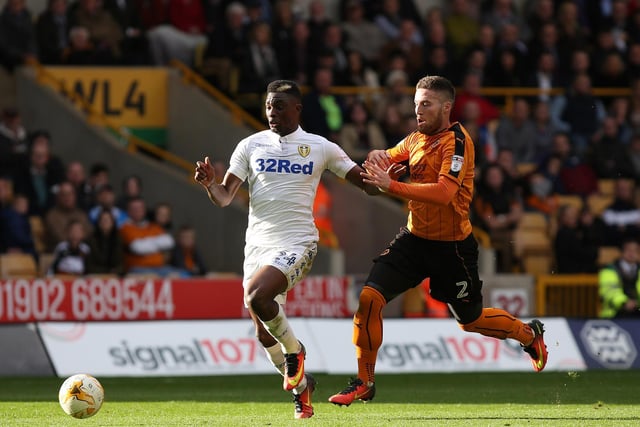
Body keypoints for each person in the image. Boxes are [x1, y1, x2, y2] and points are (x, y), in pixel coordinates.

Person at [328, 75, 548, 407]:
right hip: (414, 240)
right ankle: (364, 381)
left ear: (446, 107)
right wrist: (377, 158)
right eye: (416, 104)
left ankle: (529, 335)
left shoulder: (457, 142)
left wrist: (391, 185)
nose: (418, 111)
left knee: (470, 321)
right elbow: (387, 160)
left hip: (453, 248)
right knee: (369, 299)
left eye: (426, 104)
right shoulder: (415, 139)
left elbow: (445, 193)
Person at [194, 80, 395, 419]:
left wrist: (384, 180)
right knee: (261, 330)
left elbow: (364, 184)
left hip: (298, 242)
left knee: (258, 297)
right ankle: (304, 389)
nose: (273, 112)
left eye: (280, 106)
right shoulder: (250, 145)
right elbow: (225, 197)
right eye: (269, 106)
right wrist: (210, 184)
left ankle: (296, 351)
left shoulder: (320, 147)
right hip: (257, 246)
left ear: (297, 109)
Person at [599, 237, 640, 318]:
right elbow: (609, 291)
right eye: (629, 250)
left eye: (635, 251)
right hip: (614, 315)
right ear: (622, 251)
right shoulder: (609, 269)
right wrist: (624, 302)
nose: (632, 254)